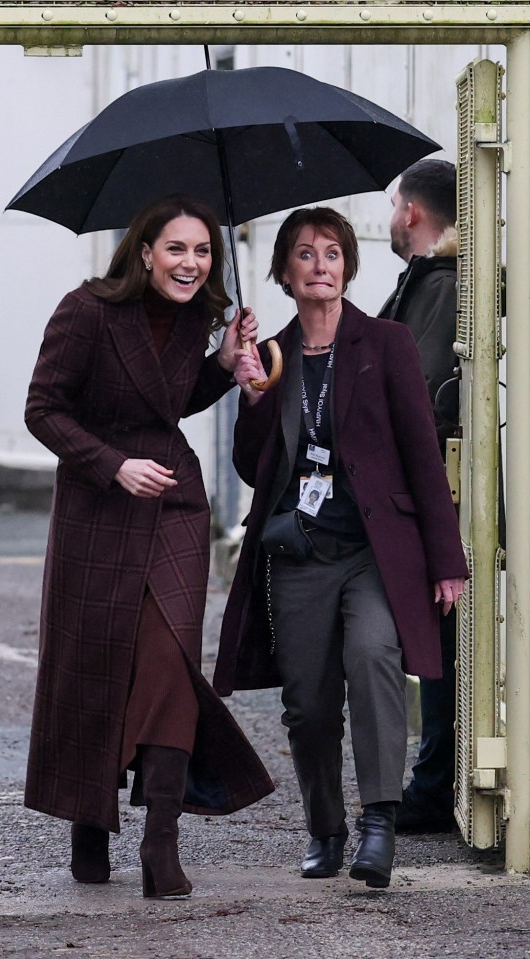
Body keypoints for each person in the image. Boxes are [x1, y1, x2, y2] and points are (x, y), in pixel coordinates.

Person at [24, 193, 274, 900]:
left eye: (201, 251)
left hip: (173, 501)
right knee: (97, 659)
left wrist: (223, 364)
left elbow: (169, 399)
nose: (190, 263)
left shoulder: (199, 317)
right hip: (97, 504)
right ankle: (88, 821)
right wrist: (111, 464)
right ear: (143, 251)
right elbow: (41, 408)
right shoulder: (86, 309)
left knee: (168, 660)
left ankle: (161, 839)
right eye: (176, 249)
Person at [214, 206, 468, 889]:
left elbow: (420, 452)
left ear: (346, 267)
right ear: (284, 272)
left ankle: (378, 823)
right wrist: (255, 395)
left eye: (331, 252)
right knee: (309, 699)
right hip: (299, 551)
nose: (319, 264)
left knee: (374, 656)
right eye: (304, 253)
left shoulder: (384, 344)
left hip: (374, 554)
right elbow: (250, 468)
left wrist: (446, 561)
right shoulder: (271, 352)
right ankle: (324, 827)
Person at [380, 159, 459, 833]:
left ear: (409, 212)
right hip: (431, 495)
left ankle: (434, 785)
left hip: (435, 498)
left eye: (391, 206)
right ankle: (437, 780)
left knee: (442, 643)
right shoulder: (430, 283)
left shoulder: (437, 285)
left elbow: (420, 397)